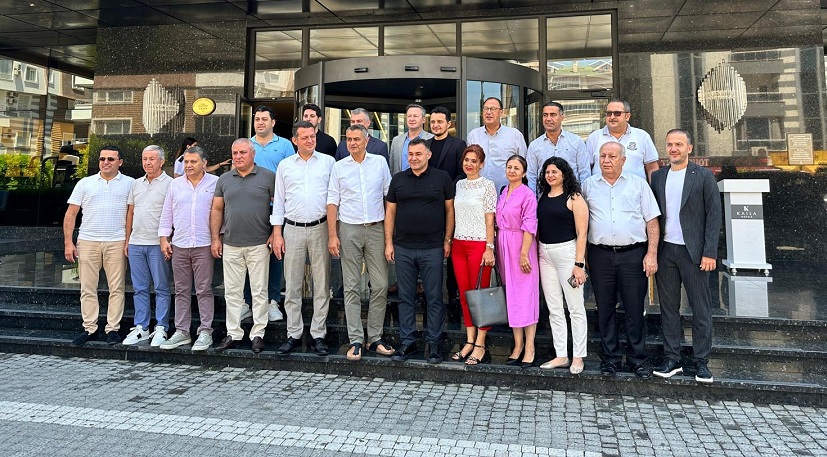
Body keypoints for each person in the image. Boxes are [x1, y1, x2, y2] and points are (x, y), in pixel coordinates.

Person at [582, 141, 660, 379]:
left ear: (624, 160)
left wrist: (652, 254)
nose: (606, 160)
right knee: (604, 309)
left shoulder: (639, 184)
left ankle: (637, 359)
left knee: (634, 309)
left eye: (612, 156)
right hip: (600, 255)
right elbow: (581, 224)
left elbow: (652, 221)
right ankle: (611, 359)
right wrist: (582, 258)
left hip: (633, 255)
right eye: (602, 156)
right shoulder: (588, 186)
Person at [651, 129, 721, 384]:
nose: (674, 148)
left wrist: (709, 252)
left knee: (700, 308)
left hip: (694, 252)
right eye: (670, 144)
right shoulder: (658, 177)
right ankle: (672, 358)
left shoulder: (703, 176)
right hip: (666, 251)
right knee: (669, 308)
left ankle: (701, 361)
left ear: (689, 148)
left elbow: (714, 215)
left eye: (679, 144)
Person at [327, 124, 394, 361]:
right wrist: (333, 235)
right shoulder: (339, 167)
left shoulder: (379, 163)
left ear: (367, 141)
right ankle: (355, 339)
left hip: (376, 229)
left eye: (357, 139)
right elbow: (332, 201)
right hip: (349, 229)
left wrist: (389, 236)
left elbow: (389, 198)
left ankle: (374, 337)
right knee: (352, 286)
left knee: (380, 285)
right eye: (349, 139)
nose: (352, 143)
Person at [385, 137, 455, 364]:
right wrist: (389, 243)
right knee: (405, 297)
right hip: (403, 247)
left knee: (434, 297)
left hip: (432, 247)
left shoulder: (442, 178)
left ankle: (434, 343)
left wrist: (447, 240)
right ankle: (408, 342)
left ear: (428, 155)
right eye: (410, 154)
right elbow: (390, 213)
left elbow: (450, 210)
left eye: (418, 154)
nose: (413, 158)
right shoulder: (398, 179)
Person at [271, 121, 335, 356]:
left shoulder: (328, 163)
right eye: (305, 137)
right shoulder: (285, 165)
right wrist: (277, 233)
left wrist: (334, 232)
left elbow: (334, 199)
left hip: (321, 227)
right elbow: (279, 201)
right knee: (292, 285)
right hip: (293, 229)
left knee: (322, 284)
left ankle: (318, 334)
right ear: (295, 140)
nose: (310, 140)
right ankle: (294, 333)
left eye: (312, 136)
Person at [64, 145, 134, 346]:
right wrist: (68, 242)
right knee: (87, 287)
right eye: (102, 159)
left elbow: (132, 214)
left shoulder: (130, 184)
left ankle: (113, 329)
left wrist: (128, 241)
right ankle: (90, 328)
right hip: (88, 241)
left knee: (117, 288)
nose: (105, 162)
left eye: (111, 159)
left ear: (120, 162)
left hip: (117, 241)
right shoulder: (85, 183)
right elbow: (71, 214)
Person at [212, 138, 276, 353]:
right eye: (235, 153)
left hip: (259, 243)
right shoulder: (224, 179)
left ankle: (258, 333)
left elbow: (279, 205)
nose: (238, 157)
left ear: (253, 154)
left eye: (243, 152)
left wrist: (275, 233)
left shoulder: (268, 176)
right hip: (231, 244)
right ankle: (233, 333)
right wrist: (215, 238)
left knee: (259, 291)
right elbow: (217, 209)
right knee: (232, 292)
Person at [158, 146, 218, 351]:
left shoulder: (215, 183)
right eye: (186, 162)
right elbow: (167, 212)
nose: (189, 165)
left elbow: (221, 213)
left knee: (204, 290)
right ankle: (182, 331)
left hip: (204, 244)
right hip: (180, 244)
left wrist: (218, 239)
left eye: (193, 161)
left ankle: (205, 332)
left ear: (204, 163)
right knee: (181, 290)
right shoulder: (175, 184)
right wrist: (164, 238)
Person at [536, 157, 589, 375]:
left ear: (564, 174)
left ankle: (578, 356)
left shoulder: (574, 197)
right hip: (544, 254)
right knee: (554, 308)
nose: (550, 175)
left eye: (554, 172)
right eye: (547, 172)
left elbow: (582, 233)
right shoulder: (543, 196)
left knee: (575, 308)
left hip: (568, 254)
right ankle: (561, 355)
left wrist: (579, 264)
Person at [450, 144, 496, 365]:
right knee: (465, 295)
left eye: (474, 161)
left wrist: (490, 247)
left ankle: (480, 343)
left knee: (480, 296)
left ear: (481, 164)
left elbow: (490, 219)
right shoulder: (459, 185)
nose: (469, 164)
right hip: (459, 244)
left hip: (479, 245)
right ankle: (469, 340)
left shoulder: (487, 186)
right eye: (466, 160)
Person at [122, 145, 172, 347]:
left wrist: (167, 240)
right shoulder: (136, 184)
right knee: (140, 288)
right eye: (145, 159)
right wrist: (128, 240)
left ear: (162, 161)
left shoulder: (171, 184)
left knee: (161, 287)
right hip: (136, 243)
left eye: (152, 159)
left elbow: (173, 214)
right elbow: (131, 213)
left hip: (157, 244)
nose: (147, 162)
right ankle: (141, 327)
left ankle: (161, 328)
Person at [248, 105, 293, 322]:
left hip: (277, 208)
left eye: (264, 119)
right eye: (257, 119)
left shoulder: (284, 146)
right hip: (251, 209)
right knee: (250, 256)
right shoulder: (246, 145)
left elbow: (292, 175)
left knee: (276, 255)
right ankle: (248, 302)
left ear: (273, 122)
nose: (260, 122)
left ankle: (273, 301)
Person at [496, 155, 540, 368]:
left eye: (516, 168)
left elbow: (530, 225)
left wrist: (523, 254)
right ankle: (517, 344)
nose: (512, 171)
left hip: (521, 245)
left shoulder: (528, 194)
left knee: (525, 296)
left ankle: (529, 347)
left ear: (523, 172)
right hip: (504, 245)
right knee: (512, 296)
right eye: (509, 167)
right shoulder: (504, 191)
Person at [427, 106, 466, 307]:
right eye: (433, 122)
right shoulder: (425, 145)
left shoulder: (459, 145)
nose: (436, 125)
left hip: (450, 202)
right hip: (428, 205)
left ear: (448, 124)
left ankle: (453, 290)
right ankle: (427, 288)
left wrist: (445, 189)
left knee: (451, 246)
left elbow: (462, 172)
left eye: (440, 122)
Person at [586, 98, 659, 181]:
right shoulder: (594, 137)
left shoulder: (642, 136)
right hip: (601, 188)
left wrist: (654, 188)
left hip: (634, 188)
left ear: (627, 116)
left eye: (617, 113)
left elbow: (652, 168)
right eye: (609, 113)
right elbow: (587, 167)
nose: (612, 117)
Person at [526, 101, 590, 193]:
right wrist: (533, 199)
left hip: (571, 197)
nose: (548, 119)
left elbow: (584, 172)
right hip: (544, 197)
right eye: (545, 115)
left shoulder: (576, 142)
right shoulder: (534, 146)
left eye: (553, 115)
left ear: (562, 117)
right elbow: (531, 176)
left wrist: (581, 197)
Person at [466, 97, 527, 193]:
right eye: (486, 109)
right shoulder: (473, 135)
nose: (488, 112)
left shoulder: (515, 135)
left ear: (501, 112)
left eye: (493, 109)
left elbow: (524, 164)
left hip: (508, 193)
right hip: (478, 193)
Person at [389, 104, 434, 175]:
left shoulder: (432, 139)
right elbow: (392, 168)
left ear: (423, 119)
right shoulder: (396, 140)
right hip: (401, 181)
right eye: (409, 116)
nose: (412, 119)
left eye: (415, 116)